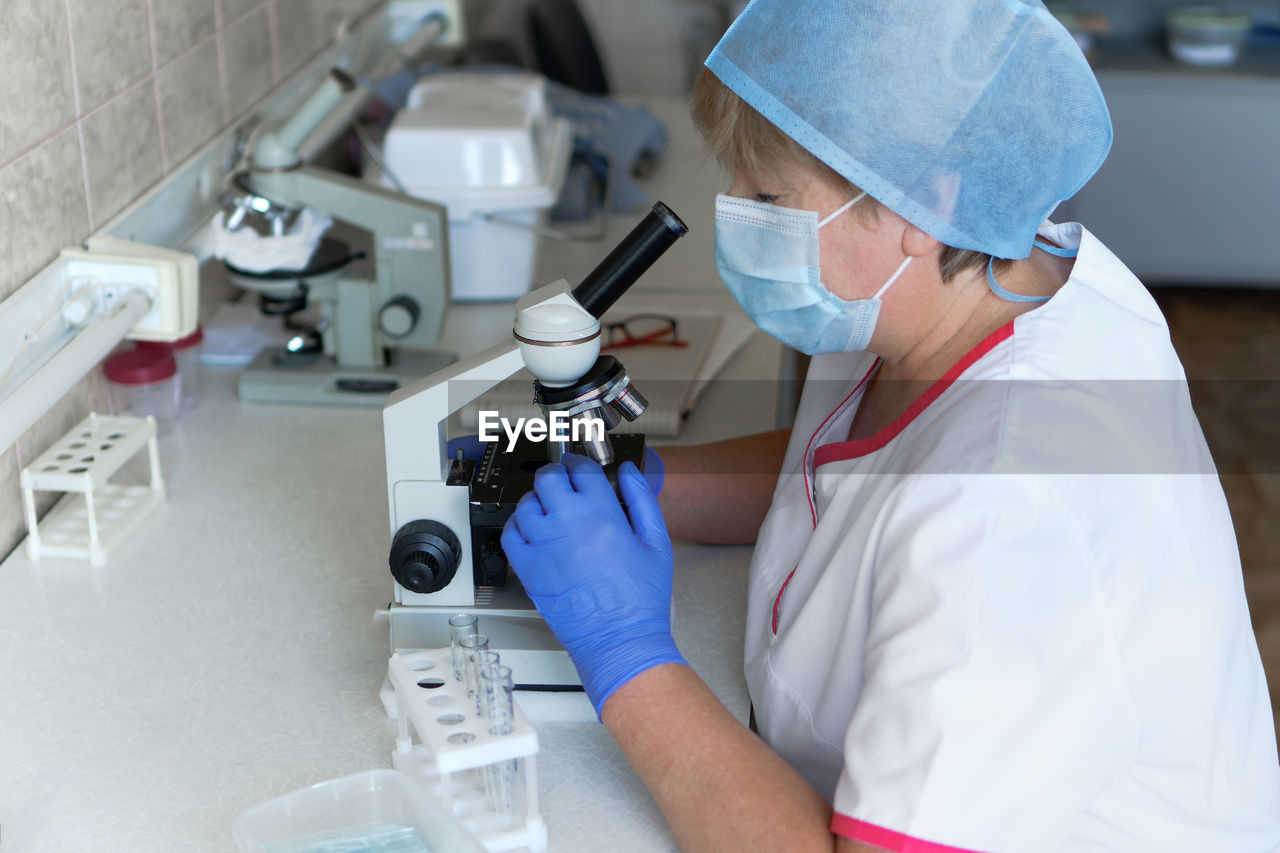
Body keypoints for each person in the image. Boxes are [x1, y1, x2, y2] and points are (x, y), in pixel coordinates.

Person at [500, 1, 1280, 850]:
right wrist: (647, 485)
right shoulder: (971, 271)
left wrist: (627, 654)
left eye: (769, 194)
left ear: (923, 200)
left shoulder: (1011, 508)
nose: (736, 211)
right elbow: (858, 463)